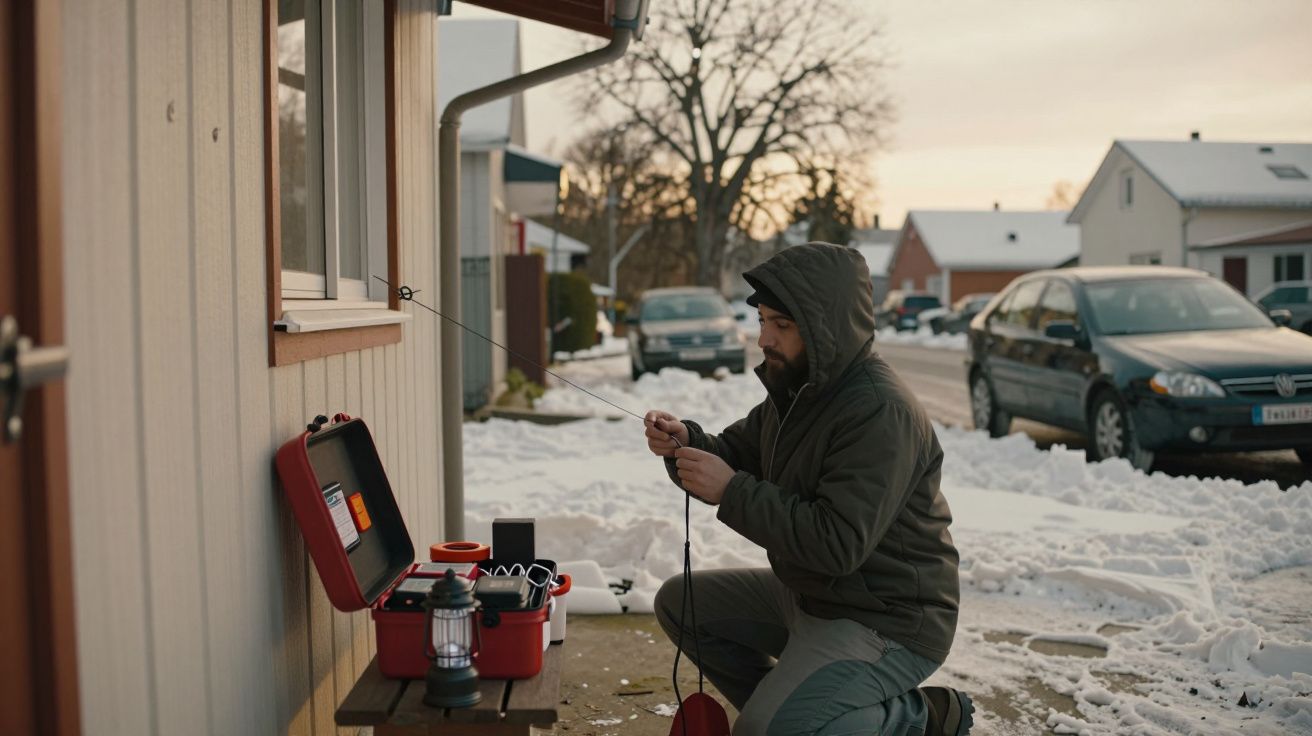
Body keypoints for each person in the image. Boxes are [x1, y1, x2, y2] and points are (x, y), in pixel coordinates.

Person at [643, 242, 971, 735]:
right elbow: (737, 452)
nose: (764, 340)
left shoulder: (880, 412)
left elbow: (837, 544)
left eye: (782, 326)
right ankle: (801, 710)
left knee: (766, 730)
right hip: (811, 596)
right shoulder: (799, 389)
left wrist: (731, 492)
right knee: (680, 602)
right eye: (763, 322)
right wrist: (687, 444)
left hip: (888, 617)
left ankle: (918, 719)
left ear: (824, 330)